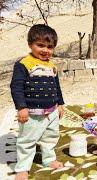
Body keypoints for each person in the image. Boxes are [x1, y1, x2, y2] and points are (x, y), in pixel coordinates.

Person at [10, 24, 65, 180]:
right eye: (40, 45)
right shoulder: (24, 64)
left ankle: (49, 159)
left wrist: (60, 103)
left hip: (52, 112)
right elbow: (16, 87)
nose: (45, 50)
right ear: (30, 44)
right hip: (32, 114)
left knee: (50, 137)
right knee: (27, 140)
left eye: (49, 47)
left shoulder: (52, 66)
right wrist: (21, 107)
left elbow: (57, 86)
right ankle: (22, 168)